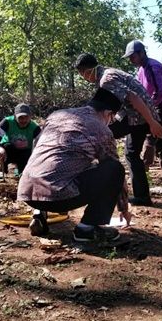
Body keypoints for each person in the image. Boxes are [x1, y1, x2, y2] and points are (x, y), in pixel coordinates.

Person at [17, 88, 131, 242]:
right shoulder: (101, 129)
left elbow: (38, 146)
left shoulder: (57, 115)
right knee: (114, 169)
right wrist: (123, 208)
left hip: (27, 191)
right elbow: (113, 169)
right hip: (58, 197)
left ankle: (39, 212)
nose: (110, 123)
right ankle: (87, 228)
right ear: (107, 113)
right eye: (111, 119)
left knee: (56, 164)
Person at [73, 53, 162, 206]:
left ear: (86, 71)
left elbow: (134, 98)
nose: (83, 78)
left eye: (82, 74)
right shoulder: (107, 74)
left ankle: (107, 184)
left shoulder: (106, 79)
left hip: (139, 117)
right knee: (130, 152)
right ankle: (141, 196)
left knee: (104, 139)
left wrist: (152, 122)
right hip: (133, 116)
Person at [123, 40, 162, 180]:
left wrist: (148, 107)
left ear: (142, 53)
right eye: (129, 57)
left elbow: (160, 92)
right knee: (161, 139)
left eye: (133, 56)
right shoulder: (141, 69)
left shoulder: (152, 67)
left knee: (151, 134)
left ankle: (143, 168)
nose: (131, 60)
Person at [0, 103, 41, 179]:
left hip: (25, 153)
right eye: (20, 117)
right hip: (9, 151)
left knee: (28, 155)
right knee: (6, 147)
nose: (23, 120)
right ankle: (3, 170)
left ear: (30, 116)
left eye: (26, 117)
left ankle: (21, 170)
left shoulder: (35, 127)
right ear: (15, 116)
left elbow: (42, 144)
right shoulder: (7, 122)